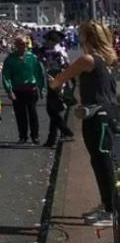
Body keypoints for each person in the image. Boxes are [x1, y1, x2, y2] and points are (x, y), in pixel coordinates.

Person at [49, 22, 118, 227]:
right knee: (101, 161)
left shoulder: (88, 59)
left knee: (102, 162)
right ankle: (108, 204)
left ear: (87, 37)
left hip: (96, 116)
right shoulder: (105, 59)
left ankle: (111, 210)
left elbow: (59, 80)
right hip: (103, 114)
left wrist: (55, 82)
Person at [1, 35, 46, 144]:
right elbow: (6, 76)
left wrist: (42, 88)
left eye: (26, 44)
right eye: (21, 44)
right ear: (16, 45)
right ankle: (23, 136)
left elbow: (39, 73)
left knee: (33, 113)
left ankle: (35, 136)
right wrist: (9, 90)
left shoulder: (33, 58)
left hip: (31, 89)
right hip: (18, 90)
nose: (24, 46)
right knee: (20, 114)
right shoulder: (10, 59)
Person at [40, 30, 75, 148]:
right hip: (57, 80)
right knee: (53, 110)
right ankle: (54, 137)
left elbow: (63, 66)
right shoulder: (60, 50)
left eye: (48, 40)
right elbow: (67, 65)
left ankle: (63, 131)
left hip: (55, 80)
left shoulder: (54, 51)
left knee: (52, 110)